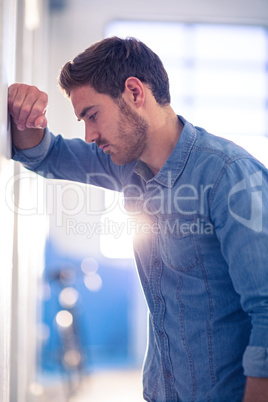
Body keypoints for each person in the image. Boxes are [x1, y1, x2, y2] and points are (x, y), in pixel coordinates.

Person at [8, 36, 268, 402]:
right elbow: (47, 156)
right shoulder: (128, 166)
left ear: (134, 92)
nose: (89, 135)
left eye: (92, 115)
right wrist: (23, 113)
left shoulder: (229, 175)